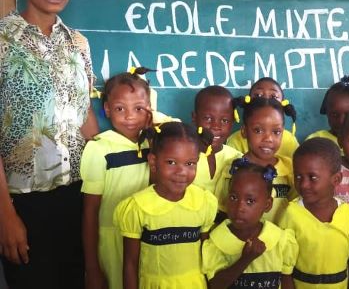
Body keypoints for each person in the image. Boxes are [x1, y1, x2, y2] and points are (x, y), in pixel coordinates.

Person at [0, 0, 98, 289]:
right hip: (23, 203)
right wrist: (5, 216)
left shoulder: (79, 43)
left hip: (78, 197)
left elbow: (85, 114)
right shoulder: (2, 43)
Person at [114, 122, 217, 289]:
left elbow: (208, 257)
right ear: (153, 162)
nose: (181, 172)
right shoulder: (138, 207)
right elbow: (130, 264)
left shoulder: (204, 202)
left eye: (190, 163)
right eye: (171, 162)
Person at [80, 68, 154, 289]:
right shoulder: (99, 149)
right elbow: (90, 212)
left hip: (148, 238)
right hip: (112, 243)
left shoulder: (155, 145)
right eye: (120, 108)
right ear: (107, 110)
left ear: (149, 110)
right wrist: (92, 268)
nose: (130, 117)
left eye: (139, 108)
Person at [279, 138, 349, 289]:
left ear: (336, 179)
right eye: (298, 176)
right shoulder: (291, 213)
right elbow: (285, 270)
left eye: (312, 177)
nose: (303, 184)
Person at [203, 158, 298, 289]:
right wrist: (245, 260)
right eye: (234, 197)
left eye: (250, 201)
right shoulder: (217, 241)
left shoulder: (279, 240)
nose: (239, 207)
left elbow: (286, 280)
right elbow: (215, 285)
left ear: (267, 204)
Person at [215, 96, 297, 223]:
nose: (268, 138)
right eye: (258, 130)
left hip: (280, 240)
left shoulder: (290, 169)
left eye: (276, 132)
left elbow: (297, 208)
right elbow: (222, 211)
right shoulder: (232, 169)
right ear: (244, 131)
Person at [226, 77, 299, 159]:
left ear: (283, 103)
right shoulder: (235, 140)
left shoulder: (289, 141)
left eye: (273, 97)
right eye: (258, 95)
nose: (265, 99)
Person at [191, 85, 242, 194]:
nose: (216, 126)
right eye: (208, 118)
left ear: (233, 121)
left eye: (224, 120)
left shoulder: (237, 159)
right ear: (194, 118)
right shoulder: (183, 157)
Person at [306, 75, 349, 145]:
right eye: (334, 114)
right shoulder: (316, 142)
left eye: (348, 115)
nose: (341, 121)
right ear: (326, 112)